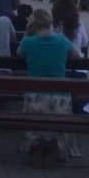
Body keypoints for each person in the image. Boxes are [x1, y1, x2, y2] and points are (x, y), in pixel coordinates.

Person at [17, 9, 81, 165]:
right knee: (60, 106)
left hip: (35, 98)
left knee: (32, 100)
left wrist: (27, 33)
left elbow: (19, 53)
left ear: (33, 25)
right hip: (60, 98)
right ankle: (55, 147)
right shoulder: (62, 40)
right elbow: (77, 55)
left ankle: (37, 145)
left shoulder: (28, 42)